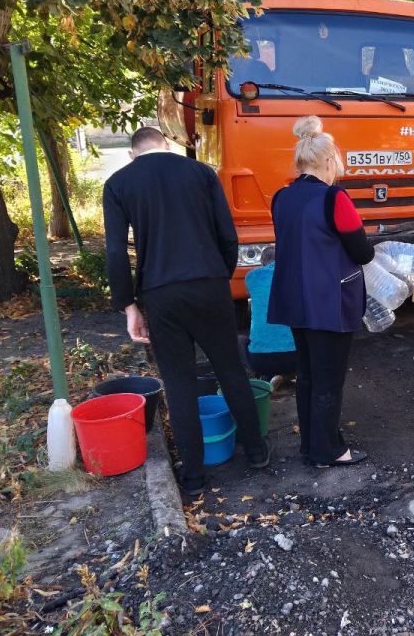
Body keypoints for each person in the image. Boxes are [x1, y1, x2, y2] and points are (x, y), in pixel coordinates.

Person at [103, 127, 269, 496]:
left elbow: (115, 252)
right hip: (209, 282)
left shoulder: (118, 183)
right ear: (167, 146)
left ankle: (193, 476)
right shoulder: (200, 173)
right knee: (230, 369)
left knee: (178, 383)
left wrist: (129, 305)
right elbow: (228, 235)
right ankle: (256, 452)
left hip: (160, 292)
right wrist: (218, 275)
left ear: (133, 154)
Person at [267, 116, 374, 467]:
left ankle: (311, 446)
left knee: (309, 376)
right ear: (329, 161)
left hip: (295, 301)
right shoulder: (334, 198)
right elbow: (362, 251)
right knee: (329, 380)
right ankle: (329, 451)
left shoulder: (281, 197)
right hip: (330, 301)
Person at [242, 249, 297, 384]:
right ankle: (290, 374)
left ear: (261, 263)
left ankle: (266, 377)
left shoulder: (251, 277)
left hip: (259, 361)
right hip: (295, 357)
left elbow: (252, 291)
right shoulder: (294, 275)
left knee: (239, 340)